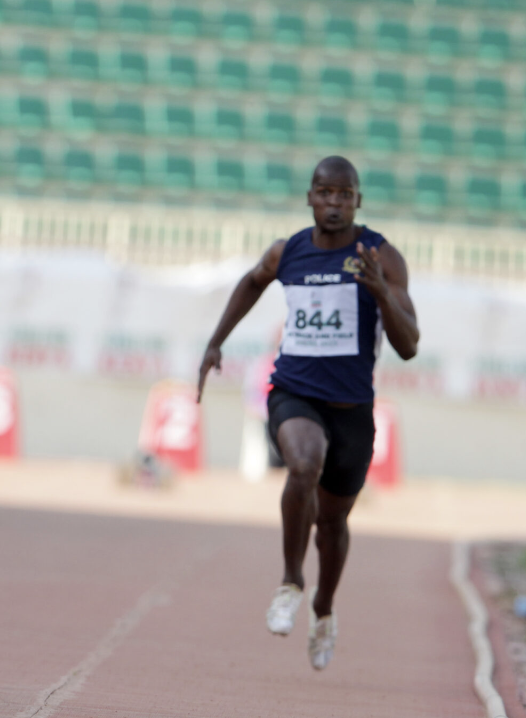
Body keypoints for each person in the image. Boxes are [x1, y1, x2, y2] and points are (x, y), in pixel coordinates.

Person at [196, 157, 419, 670]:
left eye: (345, 194)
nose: (334, 203)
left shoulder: (382, 256)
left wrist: (381, 293)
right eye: (325, 193)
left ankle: (323, 608)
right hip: (294, 391)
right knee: (302, 463)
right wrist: (215, 342)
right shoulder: (288, 251)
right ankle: (291, 581)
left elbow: (409, 345)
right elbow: (254, 281)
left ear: (358, 200)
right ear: (310, 197)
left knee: (334, 523)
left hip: (352, 409)